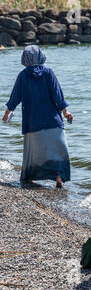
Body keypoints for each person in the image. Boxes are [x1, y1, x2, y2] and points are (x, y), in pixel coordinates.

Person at [2, 45, 73, 188]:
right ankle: (58, 176)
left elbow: (15, 97)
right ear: (41, 56)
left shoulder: (23, 75)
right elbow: (58, 95)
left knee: (34, 154)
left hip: (32, 123)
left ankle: (30, 177)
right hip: (52, 121)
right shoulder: (48, 73)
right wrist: (65, 112)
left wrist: (7, 112)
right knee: (58, 150)